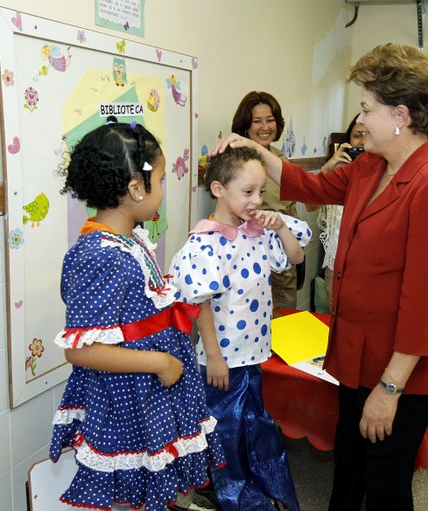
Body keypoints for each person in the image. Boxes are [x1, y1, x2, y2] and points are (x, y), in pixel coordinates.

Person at [213, 43, 428, 510]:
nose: (361, 120)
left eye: (368, 109)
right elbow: (310, 185)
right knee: (349, 465)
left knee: (386, 482)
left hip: (403, 366)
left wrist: (389, 390)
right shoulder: (371, 166)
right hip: (359, 351)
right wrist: (256, 151)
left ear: (400, 114)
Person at [49, 118, 225, 511]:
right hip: (129, 396)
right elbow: (80, 350)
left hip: (148, 392)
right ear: (135, 188)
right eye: (159, 180)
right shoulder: (100, 255)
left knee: (153, 482)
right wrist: (160, 362)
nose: (162, 190)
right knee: (132, 486)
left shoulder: (129, 240)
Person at [169, 146, 310, 511]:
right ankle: (227, 496)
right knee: (224, 433)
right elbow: (200, 304)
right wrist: (214, 357)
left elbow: (295, 257)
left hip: (253, 352)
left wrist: (280, 227)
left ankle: (259, 490)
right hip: (223, 360)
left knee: (256, 425)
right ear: (218, 189)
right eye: (248, 191)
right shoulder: (205, 242)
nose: (257, 200)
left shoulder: (258, 231)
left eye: (261, 191)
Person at [231, 91, 301, 310]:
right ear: (246, 126)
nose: (265, 127)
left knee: (285, 317)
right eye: (257, 121)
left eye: (270, 120)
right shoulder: (235, 161)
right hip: (250, 256)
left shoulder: (281, 161)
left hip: (284, 254)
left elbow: (292, 208)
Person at [307, 114, 365, 309]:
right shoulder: (337, 173)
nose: (362, 141)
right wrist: (328, 168)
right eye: (357, 135)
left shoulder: (385, 174)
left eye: (368, 134)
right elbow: (310, 206)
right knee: (336, 317)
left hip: (367, 268)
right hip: (336, 265)